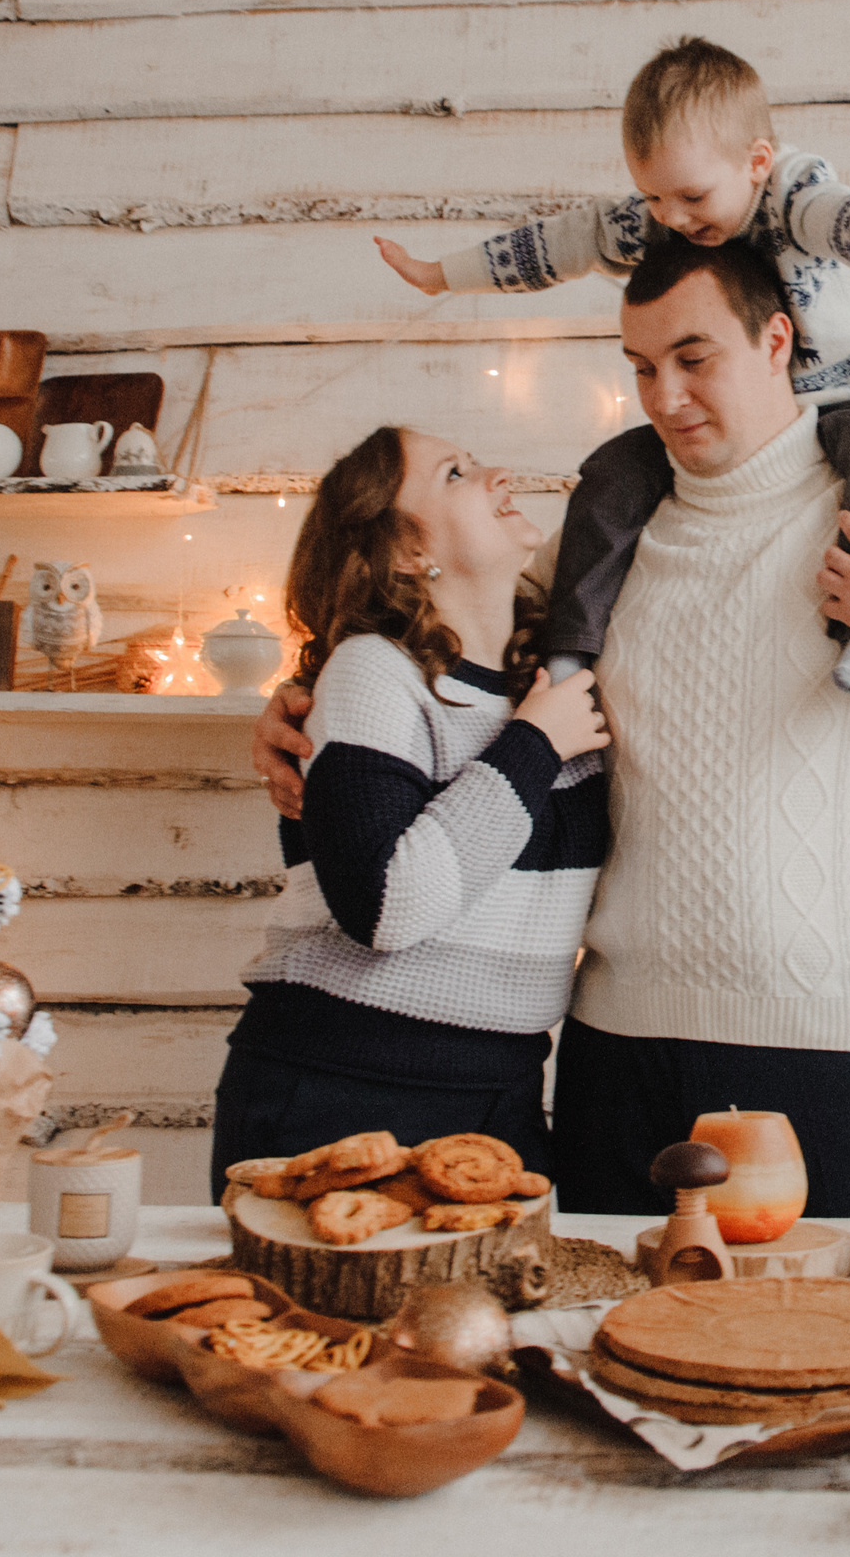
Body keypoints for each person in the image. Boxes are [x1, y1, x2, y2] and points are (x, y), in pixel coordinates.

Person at [259, 236, 850, 1217]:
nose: (665, 396)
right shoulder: (602, 537)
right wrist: (301, 701)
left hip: (838, 1051)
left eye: (693, 358)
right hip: (617, 1052)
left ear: (776, 340)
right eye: (641, 366)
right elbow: (442, 649)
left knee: (847, 1315)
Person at [374, 36, 850, 699]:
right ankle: (571, 646)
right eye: (654, 197)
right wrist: (442, 274)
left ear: (756, 162)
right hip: (730, 441)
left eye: (691, 196)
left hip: (840, 391)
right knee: (611, 474)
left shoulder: (790, 193)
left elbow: (835, 216)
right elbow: (558, 244)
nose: (672, 217)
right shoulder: (662, 217)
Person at [208, 426, 610, 1197]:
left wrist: (538, 733)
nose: (497, 472)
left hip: (503, 1091)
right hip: (341, 1087)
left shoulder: (553, 683)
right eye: (457, 472)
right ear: (404, 549)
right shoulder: (375, 672)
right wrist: (533, 746)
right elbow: (387, 906)